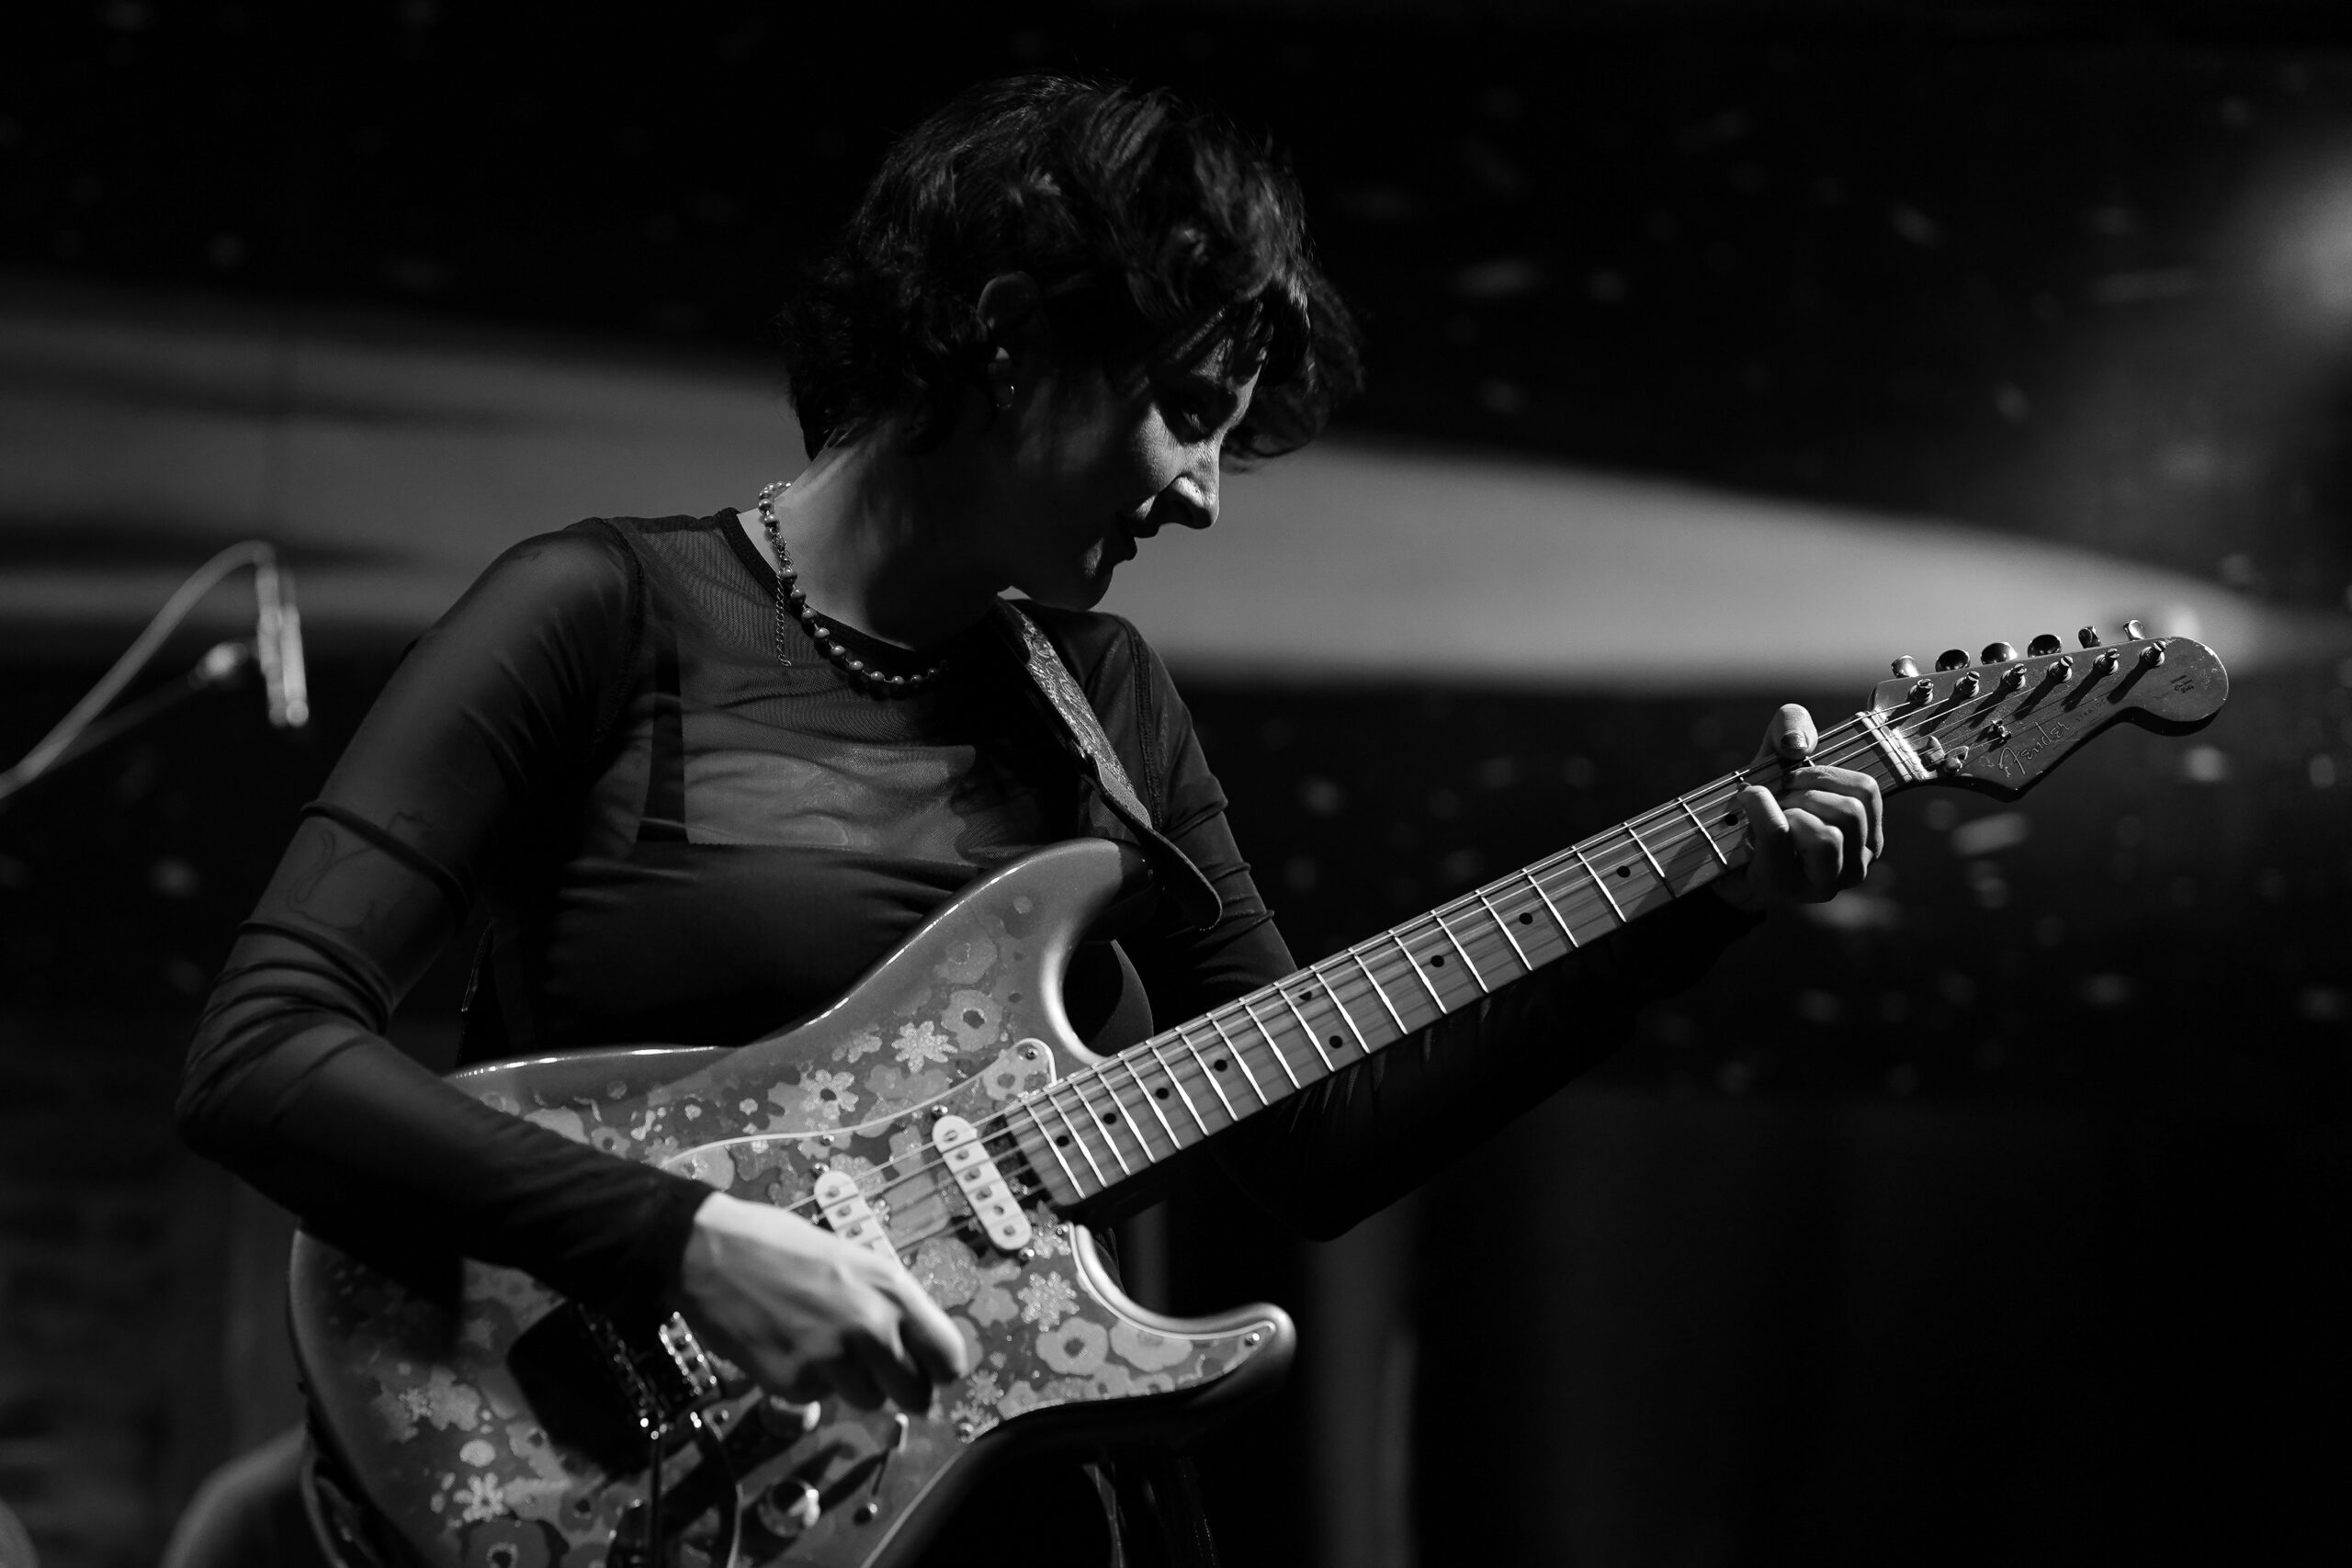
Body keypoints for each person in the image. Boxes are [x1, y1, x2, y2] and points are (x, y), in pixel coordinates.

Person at [171, 73, 1882, 1568]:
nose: (1202, 497)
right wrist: (680, 1245)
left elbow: (1321, 1138)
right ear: (1008, 333)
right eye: (1186, 413)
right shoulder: (599, 615)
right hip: (645, 1484)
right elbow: (261, 1054)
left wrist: (1704, 898)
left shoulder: (1105, 699)